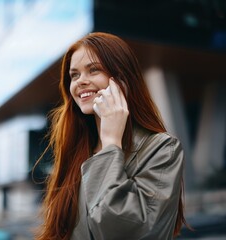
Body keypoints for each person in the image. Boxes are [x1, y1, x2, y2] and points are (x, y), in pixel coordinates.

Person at [35, 32, 188, 239]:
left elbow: (121, 229)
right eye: (74, 75)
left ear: (122, 79)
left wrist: (111, 144)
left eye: (94, 70)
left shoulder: (162, 149)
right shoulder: (76, 150)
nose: (81, 81)